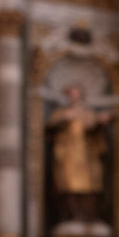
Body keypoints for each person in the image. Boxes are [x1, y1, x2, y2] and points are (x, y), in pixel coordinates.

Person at [48, 85, 112, 226]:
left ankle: (88, 217)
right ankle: (71, 217)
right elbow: (50, 127)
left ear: (82, 95)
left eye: (77, 94)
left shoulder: (88, 113)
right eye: (71, 94)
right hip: (67, 156)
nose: (74, 97)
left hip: (87, 157)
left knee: (89, 186)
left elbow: (94, 128)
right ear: (67, 96)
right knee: (68, 185)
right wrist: (65, 117)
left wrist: (101, 122)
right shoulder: (61, 112)